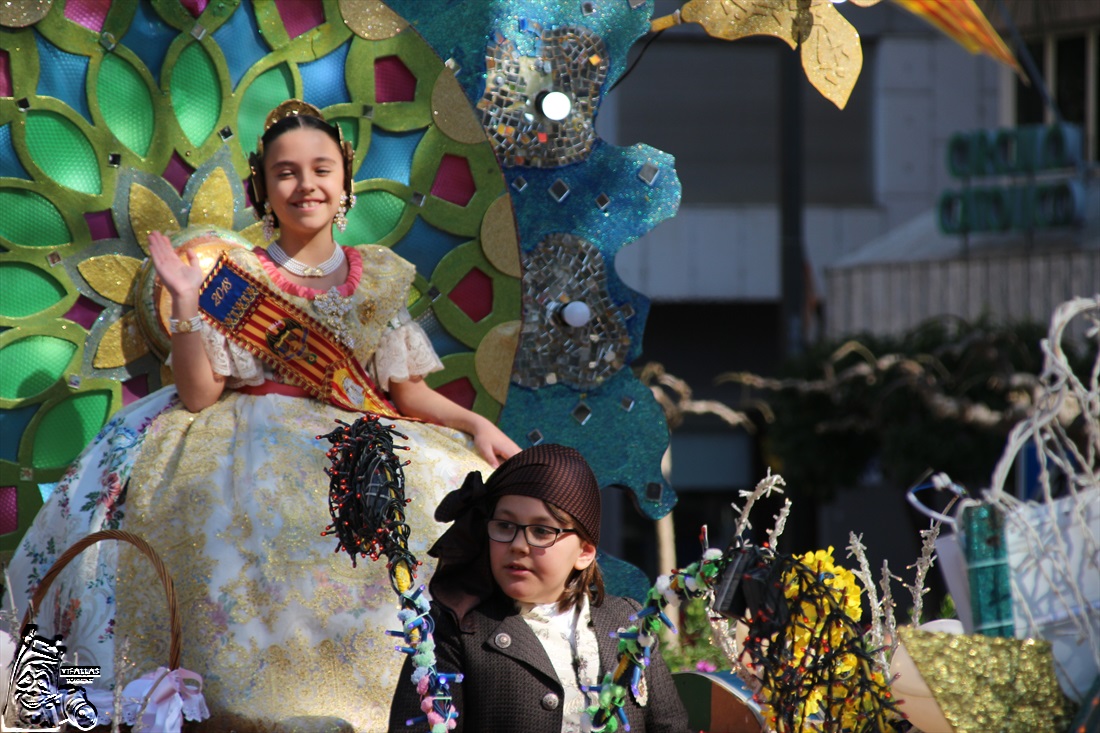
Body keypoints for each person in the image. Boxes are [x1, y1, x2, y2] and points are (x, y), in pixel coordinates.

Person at [6, 99, 519, 731]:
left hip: (362, 437)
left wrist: (474, 425)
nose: (306, 185)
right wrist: (189, 303)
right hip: (244, 442)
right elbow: (199, 393)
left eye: (321, 169)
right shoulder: (236, 279)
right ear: (262, 190)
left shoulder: (380, 277)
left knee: (444, 499)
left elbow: (404, 391)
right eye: (286, 172)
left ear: (344, 184)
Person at [389, 443, 691, 732]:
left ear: (585, 551)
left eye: (542, 531)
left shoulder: (628, 620)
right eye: (505, 526)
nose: (518, 546)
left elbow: (671, 727)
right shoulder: (456, 631)